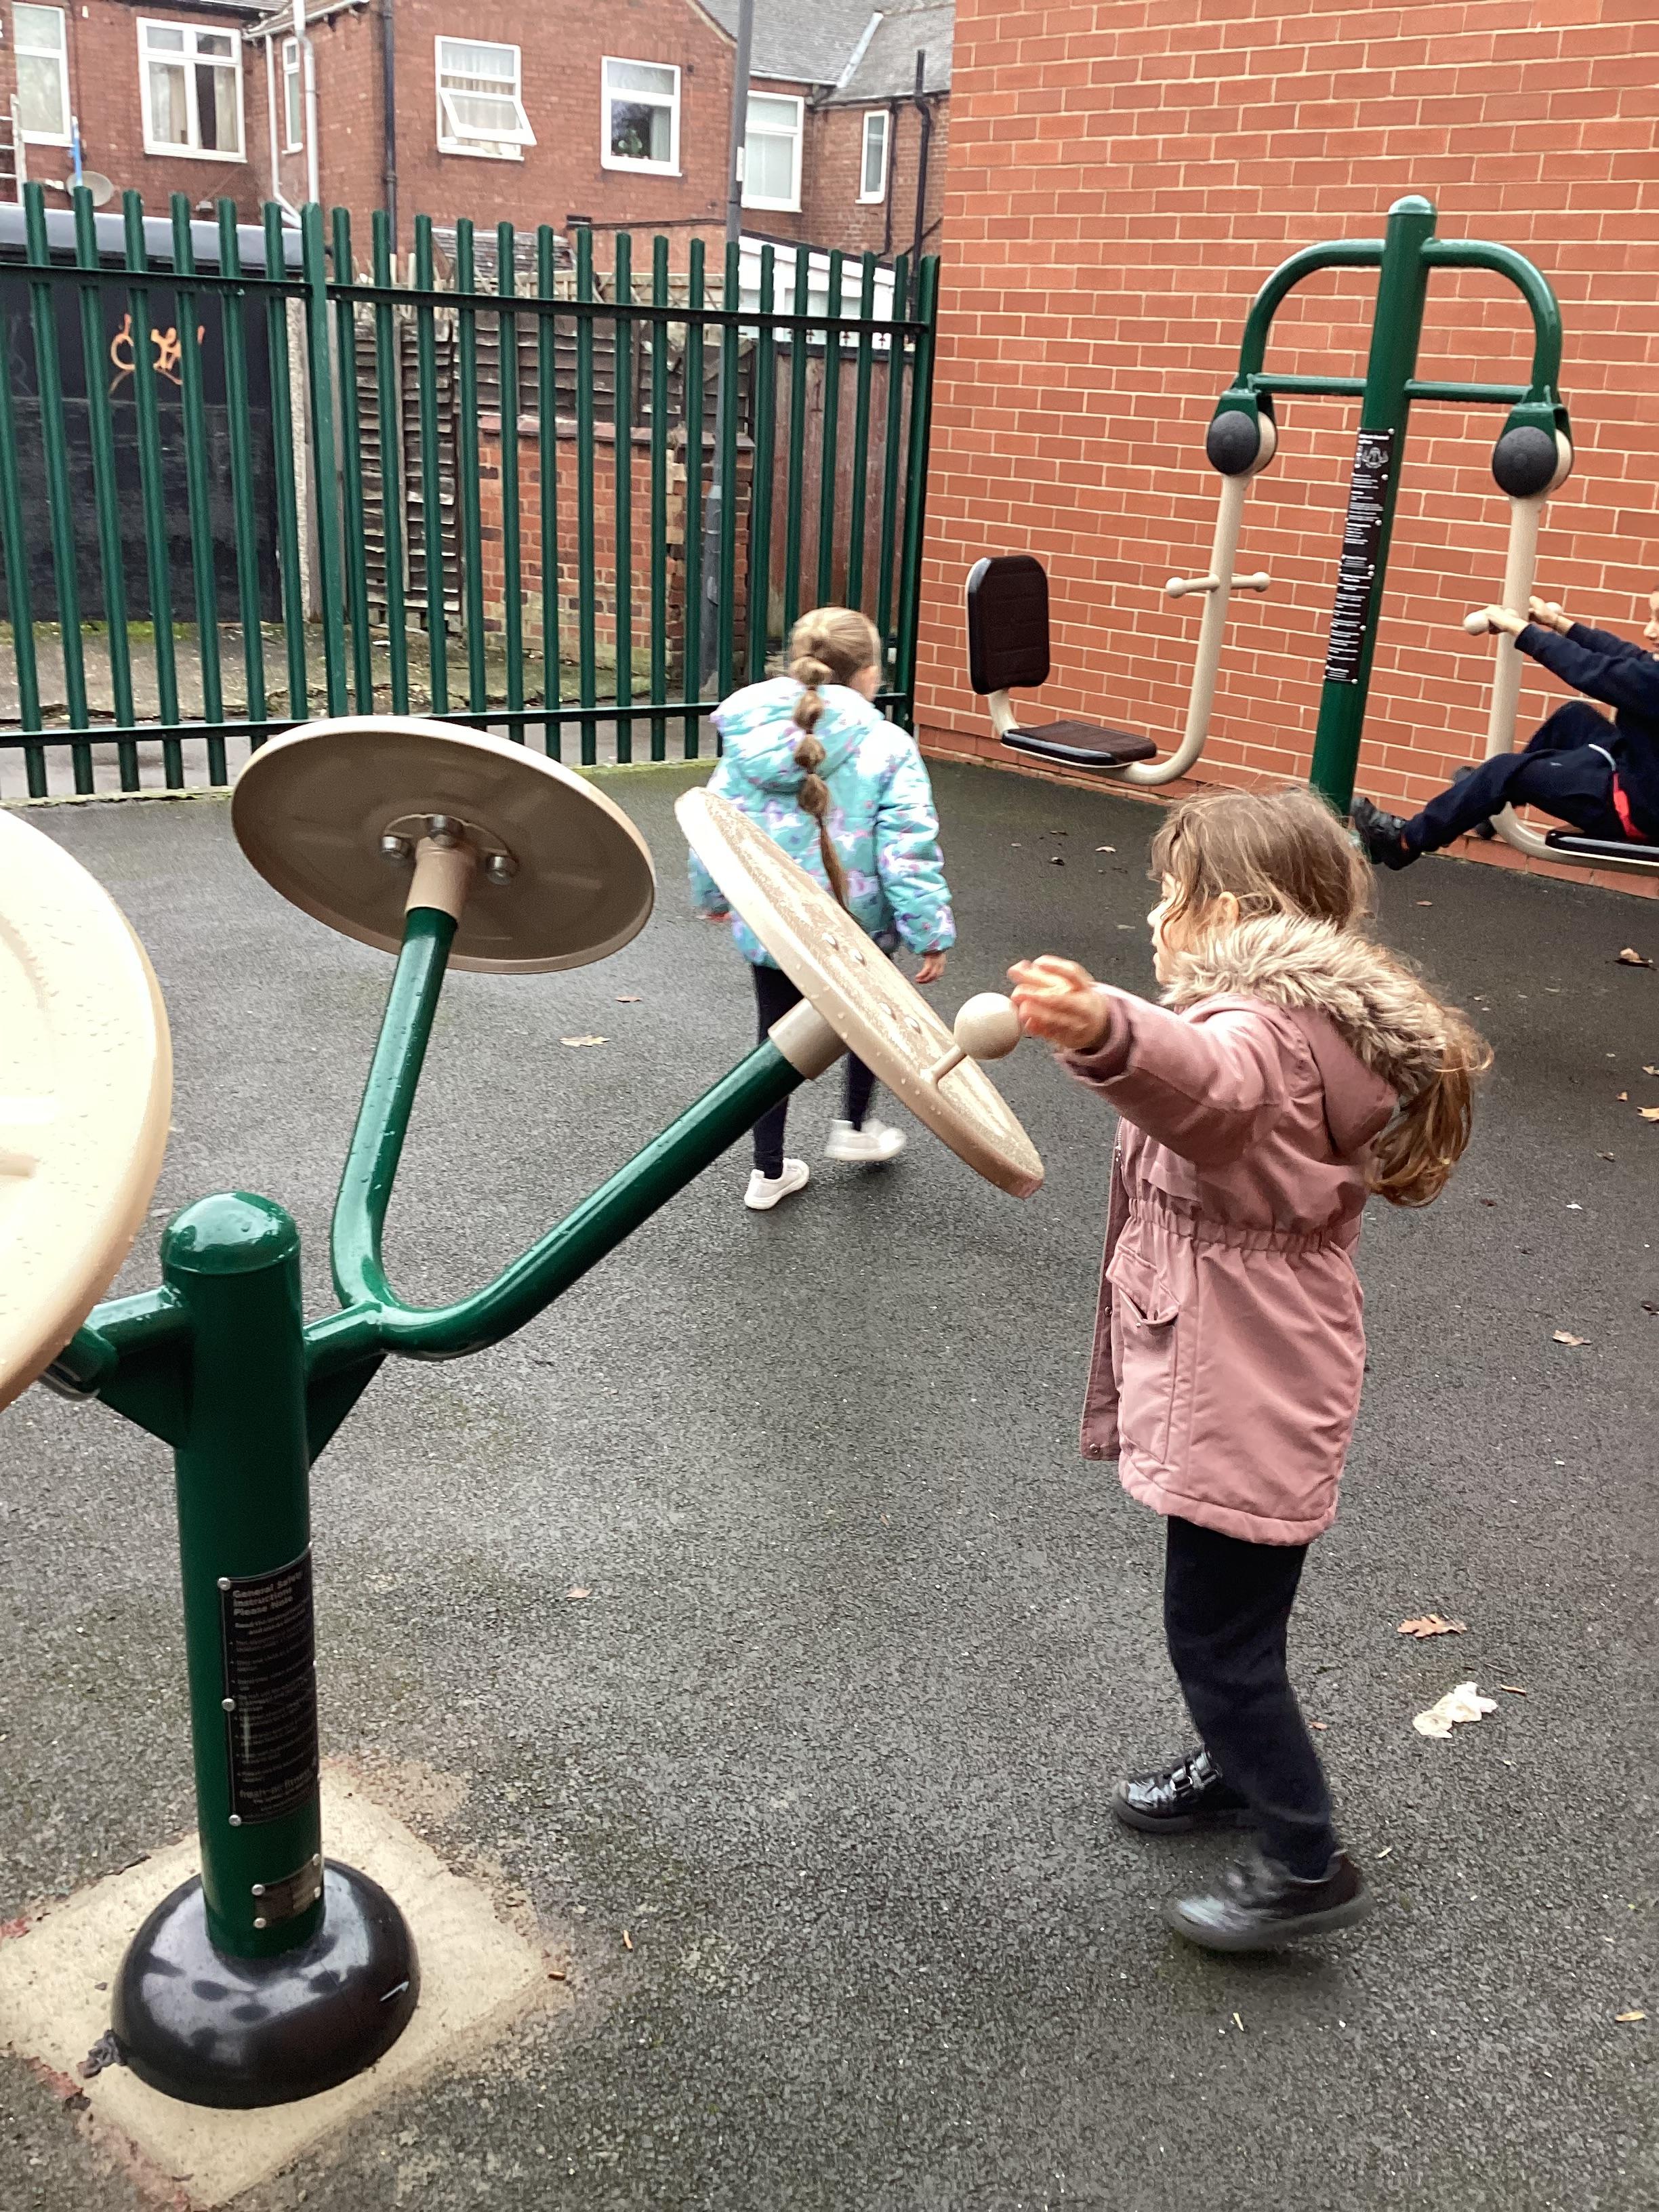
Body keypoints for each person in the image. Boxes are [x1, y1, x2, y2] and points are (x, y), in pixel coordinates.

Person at [1008, 785, 1489, 1952]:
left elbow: (1208, 1088)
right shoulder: (1305, 1024)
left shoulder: (1257, 1033)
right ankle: (1234, 1769)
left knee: (1217, 1642)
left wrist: (1108, 1030)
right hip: (1256, 1364)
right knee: (1234, 1628)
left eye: (1170, 894)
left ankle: (1303, 1858)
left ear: (1229, 911)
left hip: (1244, 1380)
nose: (1155, 914)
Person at [690, 607, 956, 1211]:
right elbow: (907, 850)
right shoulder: (888, 746)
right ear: (867, 674)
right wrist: (930, 932)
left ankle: (767, 1171)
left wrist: (714, 894)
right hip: (855, 925)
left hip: (772, 922)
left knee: (774, 1044)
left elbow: (715, 822)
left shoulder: (752, 735)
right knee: (869, 1025)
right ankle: (855, 1128)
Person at [1352, 589, 1659, 865]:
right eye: (1651, 617)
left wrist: (1521, 630)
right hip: (1641, 770)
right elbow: (1632, 658)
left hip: (1638, 812)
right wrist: (1557, 623)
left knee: (1505, 771)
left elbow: (1590, 670)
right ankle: (1486, 804)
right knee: (1574, 718)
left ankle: (1403, 842)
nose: (1649, 631)